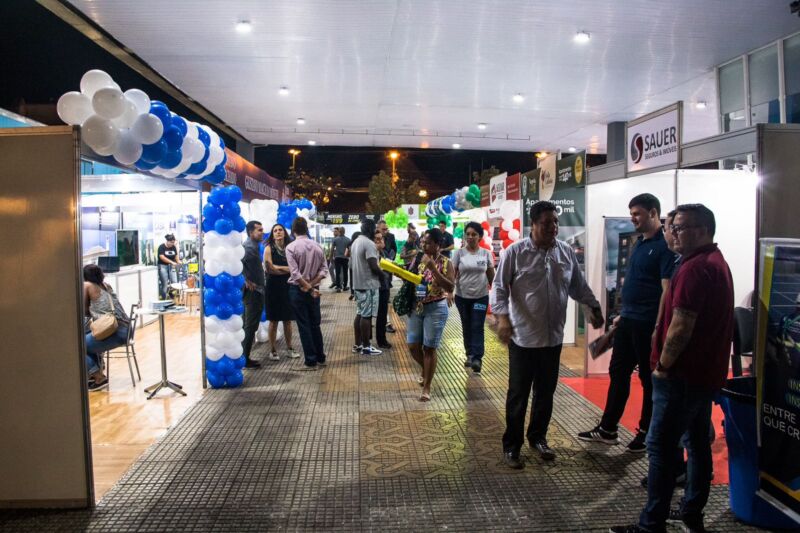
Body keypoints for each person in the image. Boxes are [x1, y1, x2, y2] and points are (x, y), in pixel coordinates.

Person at [611, 204, 734, 533]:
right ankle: (692, 510)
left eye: (679, 227)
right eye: (671, 227)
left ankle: (652, 523)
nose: (672, 232)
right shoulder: (709, 262)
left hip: (681, 377)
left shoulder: (696, 268)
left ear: (704, 230)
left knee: (662, 448)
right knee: (695, 442)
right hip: (700, 376)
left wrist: (663, 367)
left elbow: (682, 326)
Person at [492, 201, 604, 468]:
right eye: (546, 223)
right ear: (533, 224)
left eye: (555, 222)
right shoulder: (515, 252)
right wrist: (503, 318)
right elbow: (498, 288)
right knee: (518, 395)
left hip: (552, 339)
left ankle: (538, 438)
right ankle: (512, 446)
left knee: (545, 393)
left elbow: (578, 286)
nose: (553, 227)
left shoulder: (565, 252)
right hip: (523, 339)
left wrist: (594, 306)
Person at [578, 194, 676, 452]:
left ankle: (645, 431)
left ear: (653, 213)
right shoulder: (640, 244)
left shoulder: (664, 247)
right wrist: (623, 314)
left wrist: (658, 327)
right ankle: (608, 429)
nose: (633, 218)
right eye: (631, 213)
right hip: (628, 322)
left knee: (647, 378)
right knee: (618, 373)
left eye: (637, 213)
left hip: (647, 326)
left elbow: (666, 291)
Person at [406, 228, 455, 402]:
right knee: (412, 346)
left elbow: (449, 287)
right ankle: (425, 369)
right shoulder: (418, 258)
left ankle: (427, 386)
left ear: (437, 245)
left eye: (427, 242)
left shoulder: (446, 262)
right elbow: (410, 277)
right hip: (417, 307)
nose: (423, 245)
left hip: (436, 308)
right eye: (422, 242)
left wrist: (433, 268)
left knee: (429, 348)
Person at [286, 217, 328, 370]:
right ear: (306, 229)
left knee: (304, 326)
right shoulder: (317, 246)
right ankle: (320, 357)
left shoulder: (291, 247)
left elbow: (295, 274)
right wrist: (312, 285)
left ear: (293, 230)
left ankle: (310, 361)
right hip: (314, 290)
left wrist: (307, 287)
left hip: (299, 290)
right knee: (315, 325)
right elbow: (324, 270)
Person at [452, 221, 495, 374]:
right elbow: (453, 275)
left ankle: (477, 357)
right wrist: (449, 292)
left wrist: (496, 295)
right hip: (462, 297)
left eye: (474, 234)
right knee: (467, 325)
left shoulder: (486, 254)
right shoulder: (458, 254)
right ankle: (469, 354)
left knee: (477, 325)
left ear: (480, 237)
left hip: (481, 297)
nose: (470, 237)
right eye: (468, 234)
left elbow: (491, 276)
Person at [83, 264, 131, 390]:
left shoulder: (87, 285)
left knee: (77, 346)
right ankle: (96, 371)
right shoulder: (106, 285)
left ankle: (98, 376)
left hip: (114, 331)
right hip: (125, 329)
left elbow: (83, 310)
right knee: (88, 339)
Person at [263, 223, 298, 361]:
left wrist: (279, 268)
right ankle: (272, 350)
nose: (278, 232)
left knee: (288, 320)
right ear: (272, 234)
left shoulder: (290, 248)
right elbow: (269, 269)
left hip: (288, 287)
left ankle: (289, 348)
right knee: (274, 320)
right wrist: (288, 269)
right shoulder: (268, 248)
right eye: (275, 230)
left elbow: (296, 267)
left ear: (285, 232)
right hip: (272, 288)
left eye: (280, 230)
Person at [350, 219, 384, 356]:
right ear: (370, 229)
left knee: (360, 313)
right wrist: (383, 276)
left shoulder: (356, 242)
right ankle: (366, 346)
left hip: (358, 283)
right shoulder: (369, 244)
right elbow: (373, 265)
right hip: (368, 284)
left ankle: (358, 345)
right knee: (366, 315)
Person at [241, 220, 265, 369]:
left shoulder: (254, 246)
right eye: (259, 230)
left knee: (251, 324)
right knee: (250, 325)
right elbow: (237, 263)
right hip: (252, 292)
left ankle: (244, 356)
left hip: (257, 290)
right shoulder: (248, 247)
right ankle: (244, 357)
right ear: (251, 232)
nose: (262, 232)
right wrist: (246, 280)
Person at [377, 220, 398, 334]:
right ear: (378, 228)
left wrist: (390, 259)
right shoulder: (374, 238)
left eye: (386, 229)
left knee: (385, 300)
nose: (386, 231)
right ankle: (382, 322)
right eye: (383, 229)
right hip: (377, 274)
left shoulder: (391, 236)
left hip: (387, 272)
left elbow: (394, 249)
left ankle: (386, 322)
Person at [375, 230, 393, 349]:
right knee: (380, 315)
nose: (381, 241)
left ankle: (381, 339)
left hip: (385, 286)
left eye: (382, 238)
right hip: (379, 287)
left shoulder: (383, 252)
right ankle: (380, 340)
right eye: (377, 239)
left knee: (382, 314)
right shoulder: (375, 253)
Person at [157, 234, 181, 300]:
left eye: (173, 242)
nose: (172, 244)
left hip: (172, 267)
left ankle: (171, 295)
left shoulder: (173, 247)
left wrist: (178, 261)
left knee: (175, 282)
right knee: (164, 284)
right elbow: (162, 257)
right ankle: (163, 299)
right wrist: (171, 262)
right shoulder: (161, 247)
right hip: (163, 266)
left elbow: (176, 257)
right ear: (167, 241)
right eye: (171, 242)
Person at [329, 227, 351, 292]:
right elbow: (349, 250)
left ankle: (338, 287)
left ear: (339, 231)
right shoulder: (348, 240)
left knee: (337, 272)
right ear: (344, 232)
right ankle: (345, 286)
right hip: (345, 258)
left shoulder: (335, 239)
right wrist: (349, 256)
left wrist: (330, 258)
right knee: (345, 273)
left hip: (337, 258)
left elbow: (332, 250)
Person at [345, 231, 360, 301]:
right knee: (359, 279)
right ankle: (358, 294)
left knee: (352, 279)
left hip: (352, 263)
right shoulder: (360, 244)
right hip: (359, 264)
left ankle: (352, 293)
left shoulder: (349, 244)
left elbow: (346, 254)